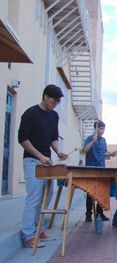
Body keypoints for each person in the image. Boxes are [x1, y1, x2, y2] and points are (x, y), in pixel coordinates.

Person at [18, 84, 68, 248]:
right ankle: (28, 235)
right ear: (45, 96)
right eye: (54, 100)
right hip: (32, 161)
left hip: (46, 163)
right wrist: (40, 156)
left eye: (58, 102)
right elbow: (23, 139)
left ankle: (37, 229)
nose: (55, 104)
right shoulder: (30, 113)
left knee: (47, 195)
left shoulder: (53, 116)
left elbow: (53, 138)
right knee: (34, 197)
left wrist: (58, 152)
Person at [83, 120, 117, 222]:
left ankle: (100, 213)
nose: (102, 131)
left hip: (102, 169)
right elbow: (84, 150)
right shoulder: (89, 138)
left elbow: (103, 154)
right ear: (96, 128)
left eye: (103, 129)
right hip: (91, 169)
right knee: (90, 192)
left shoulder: (103, 140)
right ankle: (88, 215)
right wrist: (93, 142)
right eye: (101, 129)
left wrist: (110, 154)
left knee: (102, 191)